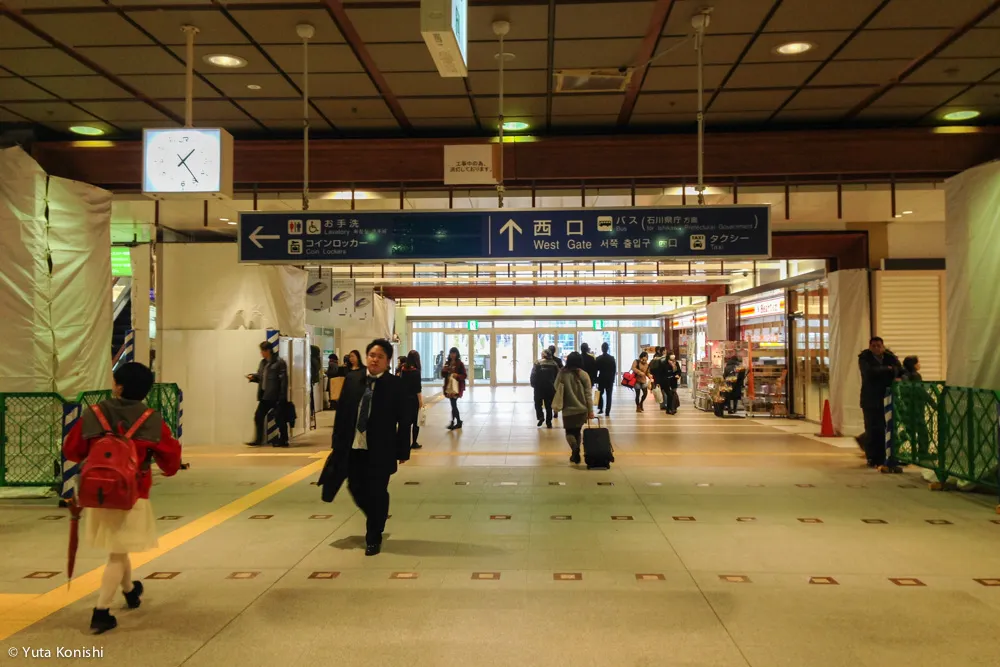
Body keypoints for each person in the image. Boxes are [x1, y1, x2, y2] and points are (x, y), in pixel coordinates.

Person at [62, 362, 182, 634]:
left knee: (118, 547)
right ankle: (101, 611)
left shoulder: (94, 414)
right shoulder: (152, 420)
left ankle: (129, 591)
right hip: (133, 493)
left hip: (98, 493)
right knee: (117, 553)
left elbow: (72, 449)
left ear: (119, 386)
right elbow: (171, 463)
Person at [321, 339, 410, 556]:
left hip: (381, 449)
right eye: (371, 355)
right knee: (355, 487)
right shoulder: (353, 380)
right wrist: (336, 444)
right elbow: (341, 414)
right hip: (353, 448)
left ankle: (374, 536)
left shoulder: (396, 385)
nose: (374, 359)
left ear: (388, 361)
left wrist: (402, 451)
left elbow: (404, 420)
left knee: (378, 492)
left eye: (380, 356)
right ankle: (377, 516)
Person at [857, 337, 902, 469]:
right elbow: (869, 372)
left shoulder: (890, 357)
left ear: (883, 346)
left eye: (879, 346)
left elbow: (898, 369)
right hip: (870, 399)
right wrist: (887, 369)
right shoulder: (865, 358)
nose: (877, 348)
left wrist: (890, 370)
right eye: (874, 346)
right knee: (872, 428)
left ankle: (884, 456)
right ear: (870, 347)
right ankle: (871, 457)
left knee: (885, 427)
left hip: (887, 398)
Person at [553, 351, 595, 465]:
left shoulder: (562, 373)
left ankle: (574, 448)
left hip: (568, 409)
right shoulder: (584, 374)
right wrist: (591, 411)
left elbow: (556, 386)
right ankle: (575, 452)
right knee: (577, 431)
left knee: (569, 432)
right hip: (582, 409)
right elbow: (588, 394)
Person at [247, 341, 289, 447]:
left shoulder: (279, 363)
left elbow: (284, 381)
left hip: (276, 396)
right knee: (258, 416)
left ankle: (283, 440)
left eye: (263, 351)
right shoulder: (263, 363)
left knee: (280, 418)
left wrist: (282, 396)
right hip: (265, 395)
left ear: (268, 350)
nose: (261, 353)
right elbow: (261, 376)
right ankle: (258, 439)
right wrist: (254, 377)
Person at [399, 350, 424, 449]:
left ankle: (404, 442)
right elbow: (418, 388)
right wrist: (420, 401)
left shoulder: (403, 369)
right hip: (413, 399)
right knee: (415, 422)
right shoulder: (416, 372)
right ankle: (414, 442)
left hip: (404, 398)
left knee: (406, 422)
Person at [530, 349, 559, 428]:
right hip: (550, 387)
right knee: (549, 405)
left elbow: (533, 374)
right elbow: (557, 376)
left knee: (537, 403)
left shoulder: (537, 363)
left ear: (543, 355)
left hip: (539, 387)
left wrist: (533, 384)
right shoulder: (554, 364)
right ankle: (548, 422)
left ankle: (540, 416)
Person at [442, 347, 467, 430]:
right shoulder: (447, 363)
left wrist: (457, 375)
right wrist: (444, 370)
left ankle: (456, 421)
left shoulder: (460, 364)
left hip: (456, 387)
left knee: (453, 404)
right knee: (453, 405)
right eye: (451, 353)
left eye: (454, 353)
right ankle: (457, 421)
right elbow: (443, 375)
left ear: (457, 354)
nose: (452, 355)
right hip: (449, 386)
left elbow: (464, 375)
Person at [595, 342, 617, 416]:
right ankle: (607, 411)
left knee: (599, 393)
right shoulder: (612, 358)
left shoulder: (598, 358)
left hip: (601, 378)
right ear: (608, 349)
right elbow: (614, 370)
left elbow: (596, 369)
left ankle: (600, 408)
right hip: (609, 379)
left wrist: (596, 379)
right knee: (609, 395)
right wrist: (613, 379)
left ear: (602, 349)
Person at [648, 347, 667, 411]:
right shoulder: (663, 359)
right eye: (665, 350)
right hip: (662, 376)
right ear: (662, 351)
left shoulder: (655, 358)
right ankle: (663, 404)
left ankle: (662, 404)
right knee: (663, 391)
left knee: (660, 390)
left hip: (656, 376)